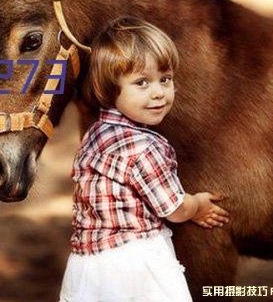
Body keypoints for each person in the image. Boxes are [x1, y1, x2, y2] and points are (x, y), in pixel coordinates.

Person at [58, 17, 230, 302]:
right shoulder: (144, 148)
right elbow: (173, 209)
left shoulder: (94, 135)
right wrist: (198, 205)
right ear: (110, 89)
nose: (158, 92)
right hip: (134, 265)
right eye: (142, 82)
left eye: (165, 79)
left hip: (86, 266)